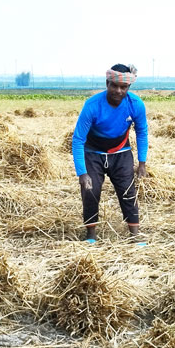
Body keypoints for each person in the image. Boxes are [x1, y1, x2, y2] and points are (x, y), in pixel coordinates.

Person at [72, 64, 149, 242]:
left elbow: (142, 132)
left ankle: (134, 236)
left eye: (123, 87)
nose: (118, 91)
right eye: (114, 85)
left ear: (129, 88)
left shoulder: (135, 104)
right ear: (107, 83)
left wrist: (142, 163)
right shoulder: (92, 105)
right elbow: (78, 140)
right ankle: (90, 235)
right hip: (93, 153)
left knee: (128, 192)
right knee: (90, 191)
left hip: (121, 152)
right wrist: (82, 173)